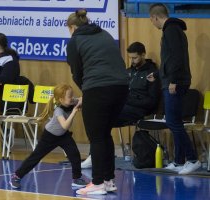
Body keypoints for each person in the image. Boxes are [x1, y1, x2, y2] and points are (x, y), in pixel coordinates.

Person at [66, 9, 129, 195]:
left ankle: (98, 182)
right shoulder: (104, 33)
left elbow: (77, 73)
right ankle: (109, 180)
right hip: (122, 87)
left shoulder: (75, 41)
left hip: (98, 88)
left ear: (72, 27)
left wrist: (87, 90)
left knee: (96, 136)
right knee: (104, 134)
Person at [81, 42, 161, 169]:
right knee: (98, 118)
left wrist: (127, 100)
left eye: (135, 58)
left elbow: (152, 102)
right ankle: (98, 155)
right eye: (130, 58)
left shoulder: (152, 74)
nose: (132, 61)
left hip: (140, 110)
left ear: (143, 55)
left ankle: (97, 156)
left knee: (104, 118)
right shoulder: (127, 72)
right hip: (123, 106)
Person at [148, 3, 200, 174]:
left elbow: (177, 58)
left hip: (175, 82)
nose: (152, 23)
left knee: (172, 122)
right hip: (172, 80)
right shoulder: (172, 30)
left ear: (155, 17)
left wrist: (173, 80)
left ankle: (192, 159)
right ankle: (179, 161)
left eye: (151, 20)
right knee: (174, 122)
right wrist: (157, 74)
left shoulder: (171, 30)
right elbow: (169, 60)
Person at [10, 83, 87, 189]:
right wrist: (74, 112)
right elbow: (65, 125)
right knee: (35, 157)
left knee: (75, 155)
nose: (72, 98)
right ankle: (16, 176)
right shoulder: (58, 110)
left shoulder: (71, 102)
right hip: (50, 136)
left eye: (72, 95)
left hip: (63, 136)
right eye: (69, 96)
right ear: (61, 99)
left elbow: (81, 99)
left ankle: (77, 178)